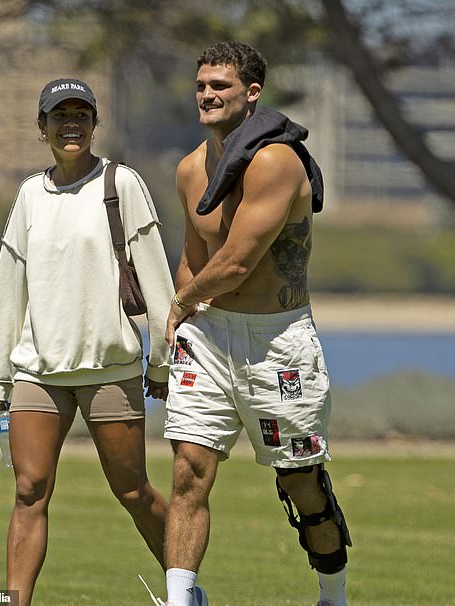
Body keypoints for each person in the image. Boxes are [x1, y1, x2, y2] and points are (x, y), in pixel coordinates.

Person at [161, 42, 352, 606]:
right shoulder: (190, 169)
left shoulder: (276, 161)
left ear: (251, 93)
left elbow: (237, 261)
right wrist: (178, 320)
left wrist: (179, 303)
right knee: (187, 471)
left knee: (302, 485)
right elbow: (194, 258)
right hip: (211, 334)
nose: (207, 95)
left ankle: (332, 595)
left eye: (219, 85)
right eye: (200, 85)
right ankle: (180, 598)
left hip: (278, 342)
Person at [0, 78, 174, 605]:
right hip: (38, 375)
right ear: (40, 126)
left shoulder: (123, 184)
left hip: (110, 371)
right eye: (59, 115)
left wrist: (162, 360)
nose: (71, 124)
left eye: (81, 114)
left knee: (133, 490)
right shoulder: (28, 194)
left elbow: (156, 278)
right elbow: (9, 286)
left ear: (94, 123)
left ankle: (184, 589)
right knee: (28, 492)